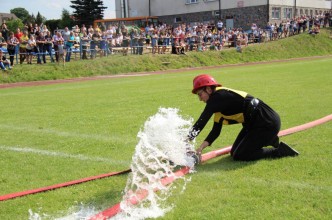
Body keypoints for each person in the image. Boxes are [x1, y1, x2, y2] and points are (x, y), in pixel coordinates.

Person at [188, 74, 299, 162]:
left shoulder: (218, 97)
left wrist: (186, 140)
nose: (200, 99)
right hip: (255, 123)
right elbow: (215, 132)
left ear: (208, 89)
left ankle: (280, 151)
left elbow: (201, 122)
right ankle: (268, 139)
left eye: (200, 94)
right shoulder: (218, 104)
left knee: (241, 155)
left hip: (265, 121)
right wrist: (200, 148)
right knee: (234, 153)